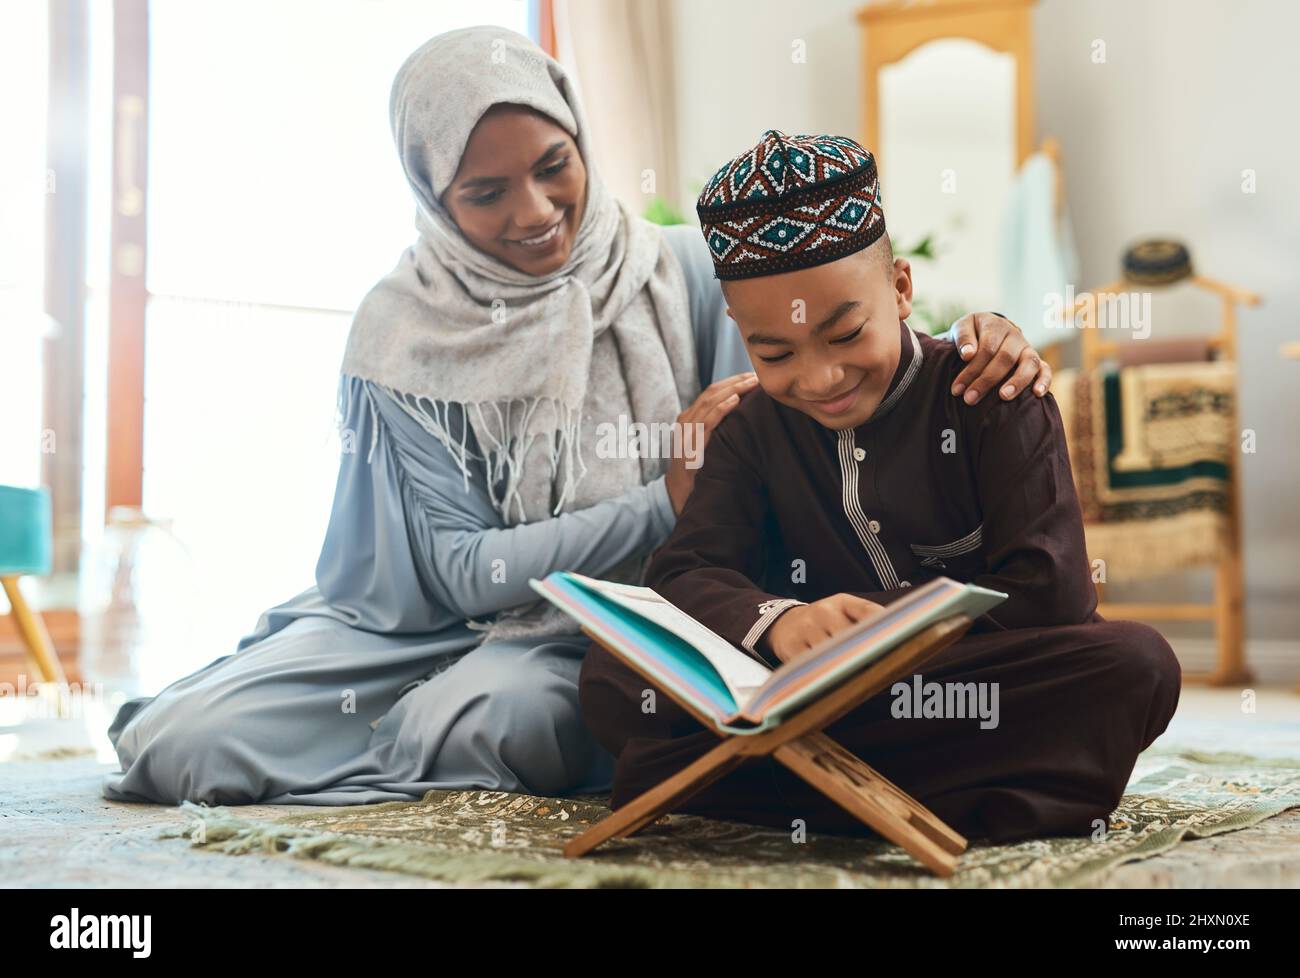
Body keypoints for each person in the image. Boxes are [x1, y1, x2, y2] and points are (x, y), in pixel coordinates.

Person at [102, 32, 1055, 807]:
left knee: (485, 722)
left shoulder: (681, 272)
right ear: (433, 197)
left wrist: (986, 340)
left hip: (640, 619)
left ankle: (436, 743)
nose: (536, 212)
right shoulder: (400, 336)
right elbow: (456, 575)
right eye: (485, 192)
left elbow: (833, 359)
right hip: (413, 627)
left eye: (554, 166)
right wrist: (658, 500)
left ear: (580, 144)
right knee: (185, 749)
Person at [579, 130, 1181, 844]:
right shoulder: (750, 430)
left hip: (961, 684)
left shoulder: (990, 392)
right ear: (742, 334)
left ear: (899, 288)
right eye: (775, 352)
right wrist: (783, 622)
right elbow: (686, 573)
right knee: (612, 679)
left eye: (844, 334)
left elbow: (1053, 593)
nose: (820, 377)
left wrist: (871, 628)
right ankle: (984, 795)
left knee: (1134, 666)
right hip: (801, 692)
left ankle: (744, 785)